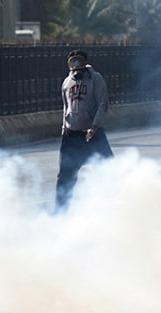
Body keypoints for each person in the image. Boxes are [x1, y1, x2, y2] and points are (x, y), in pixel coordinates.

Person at [55, 49, 113, 212]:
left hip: (93, 135)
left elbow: (103, 104)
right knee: (65, 176)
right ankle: (60, 211)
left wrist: (94, 126)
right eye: (72, 63)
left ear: (85, 63)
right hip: (71, 135)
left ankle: (112, 207)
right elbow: (65, 107)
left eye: (79, 63)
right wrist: (64, 129)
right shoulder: (66, 82)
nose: (76, 68)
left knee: (109, 169)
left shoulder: (96, 79)